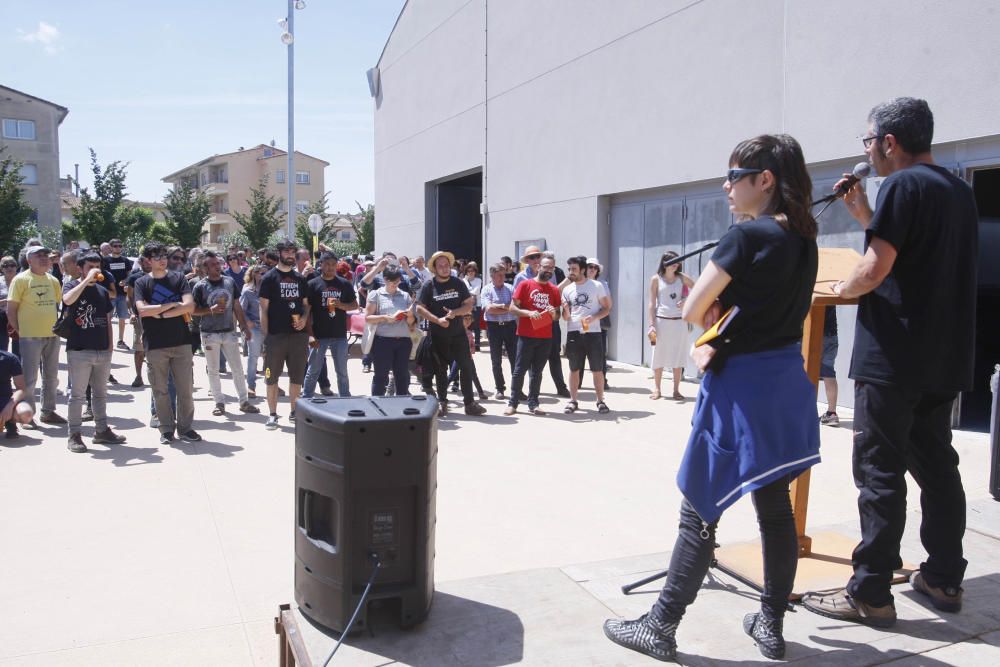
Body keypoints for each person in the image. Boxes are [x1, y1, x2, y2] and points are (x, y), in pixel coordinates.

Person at [604, 134, 821, 662]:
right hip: (786, 386)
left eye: (734, 175)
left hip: (739, 390)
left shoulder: (744, 238)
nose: (726, 186)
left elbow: (694, 310)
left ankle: (660, 626)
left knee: (698, 510)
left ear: (764, 180)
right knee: (775, 511)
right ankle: (770, 623)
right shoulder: (805, 240)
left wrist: (715, 333)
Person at [801, 98, 978, 626]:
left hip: (894, 358)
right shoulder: (958, 191)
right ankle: (944, 578)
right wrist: (863, 216)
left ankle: (871, 591)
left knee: (880, 473)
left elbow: (876, 270)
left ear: (889, 143)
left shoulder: (901, 185)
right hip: (942, 356)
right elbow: (915, 254)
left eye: (868, 142)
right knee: (938, 468)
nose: (867, 152)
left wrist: (840, 286)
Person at [134, 243, 201, 444]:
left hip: (181, 342)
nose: (162, 260)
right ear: (147, 261)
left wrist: (161, 313)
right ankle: (166, 429)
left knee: (185, 390)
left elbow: (189, 306)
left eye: (164, 256)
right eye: (156, 257)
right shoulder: (141, 283)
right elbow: (142, 311)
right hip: (155, 344)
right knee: (160, 390)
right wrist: (172, 305)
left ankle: (186, 428)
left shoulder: (179, 278)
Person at [62, 253, 127, 452]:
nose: (96, 270)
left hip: (101, 349)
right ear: (81, 268)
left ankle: (102, 430)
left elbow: (107, 318)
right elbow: (67, 300)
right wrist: (86, 281)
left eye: (98, 266)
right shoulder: (72, 286)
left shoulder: (102, 290)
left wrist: (109, 346)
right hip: (79, 348)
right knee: (77, 395)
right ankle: (74, 434)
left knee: (100, 394)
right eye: (90, 266)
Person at [415, 251, 486, 417]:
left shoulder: (458, 283)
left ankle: (469, 403)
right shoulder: (429, 286)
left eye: (446, 265)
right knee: (440, 370)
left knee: (466, 367)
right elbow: (419, 308)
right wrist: (437, 320)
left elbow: (469, 305)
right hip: (438, 335)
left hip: (458, 334)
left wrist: (455, 312)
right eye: (440, 266)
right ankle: (442, 402)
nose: (444, 268)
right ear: (434, 268)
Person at [191, 251, 258, 416]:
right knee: (213, 370)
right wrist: (209, 310)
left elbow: (236, 305)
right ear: (205, 268)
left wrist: (243, 327)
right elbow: (193, 310)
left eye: (218, 263)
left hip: (229, 332)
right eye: (213, 264)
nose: (217, 267)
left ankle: (243, 401)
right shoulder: (200, 286)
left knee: (237, 368)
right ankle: (219, 402)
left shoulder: (229, 282)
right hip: (209, 334)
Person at [6, 246, 66, 428]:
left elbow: (58, 304)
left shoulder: (53, 280)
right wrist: (20, 330)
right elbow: (11, 309)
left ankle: (48, 411)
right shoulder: (21, 279)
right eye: (38, 255)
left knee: (51, 376)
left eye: (46, 255)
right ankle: (27, 415)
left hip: (52, 335)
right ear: (28, 259)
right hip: (30, 336)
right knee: (29, 378)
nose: (44, 258)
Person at [259, 240, 310, 430]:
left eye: (293, 251)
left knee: (297, 377)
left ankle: (294, 412)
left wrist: (304, 319)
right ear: (279, 253)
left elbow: (306, 305)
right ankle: (272, 414)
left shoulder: (300, 279)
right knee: (271, 377)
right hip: (275, 336)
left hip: (298, 336)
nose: (290, 255)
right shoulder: (269, 278)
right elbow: (263, 310)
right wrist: (266, 338)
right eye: (287, 251)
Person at [503, 256, 561, 416]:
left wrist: (553, 313)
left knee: (537, 372)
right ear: (537, 266)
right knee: (519, 370)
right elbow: (512, 308)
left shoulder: (554, 290)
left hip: (545, 336)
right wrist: (527, 312)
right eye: (546, 267)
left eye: (552, 268)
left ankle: (533, 403)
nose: (548, 271)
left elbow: (558, 316)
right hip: (526, 335)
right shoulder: (525, 284)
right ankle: (512, 403)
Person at [303, 251, 357, 398]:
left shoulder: (344, 284)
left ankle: (345, 397)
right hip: (318, 334)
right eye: (327, 264)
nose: (330, 267)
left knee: (342, 371)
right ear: (320, 265)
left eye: (333, 264)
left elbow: (355, 305)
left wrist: (341, 305)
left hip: (339, 335)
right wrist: (310, 335)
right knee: (313, 370)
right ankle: (306, 397)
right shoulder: (312, 284)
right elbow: (306, 312)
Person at [562, 256, 611, 414]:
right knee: (574, 368)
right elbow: (565, 317)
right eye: (569, 269)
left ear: (582, 269)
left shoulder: (596, 286)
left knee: (597, 369)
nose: (571, 272)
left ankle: (600, 401)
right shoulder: (567, 289)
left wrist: (595, 317)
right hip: (573, 332)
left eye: (574, 269)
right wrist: (565, 309)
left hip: (593, 333)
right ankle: (573, 400)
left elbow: (607, 308)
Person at [648, 251, 695, 400]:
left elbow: (699, 288)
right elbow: (652, 304)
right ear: (664, 262)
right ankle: (657, 389)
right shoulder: (656, 279)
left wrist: (687, 300)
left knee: (678, 355)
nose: (676, 264)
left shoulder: (682, 278)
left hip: (679, 322)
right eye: (673, 261)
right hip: (661, 321)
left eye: (678, 261)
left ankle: (676, 390)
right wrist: (651, 324)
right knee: (658, 355)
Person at [365, 266, 415, 396]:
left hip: (403, 341)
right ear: (385, 279)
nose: (396, 284)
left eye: (398, 281)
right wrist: (385, 318)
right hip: (383, 342)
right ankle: (376, 406)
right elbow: (368, 318)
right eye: (393, 282)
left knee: (402, 377)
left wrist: (410, 316)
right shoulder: (376, 294)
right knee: (381, 376)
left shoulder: (405, 296)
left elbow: (412, 323)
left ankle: (401, 406)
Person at [481, 263, 518, 400]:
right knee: (496, 360)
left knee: (515, 359)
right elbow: (489, 309)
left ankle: (516, 389)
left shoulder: (510, 288)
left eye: (503, 275)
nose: (502, 277)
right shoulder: (486, 290)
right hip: (494, 327)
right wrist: (505, 306)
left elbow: (515, 307)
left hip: (510, 326)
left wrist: (499, 307)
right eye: (499, 275)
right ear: (492, 276)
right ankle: (500, 388)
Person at [240, 264, 268, 398]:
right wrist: (247, 321)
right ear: (254, 274)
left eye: (265, 273)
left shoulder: (271, 291)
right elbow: (240, 309)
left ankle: (271, 383)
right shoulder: (248, 291)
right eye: (260, 273)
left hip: (269, 327)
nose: (263, 276)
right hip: (255, 328)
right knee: (254, 357)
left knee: (270, 358)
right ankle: (251, 386)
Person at [585, 258, 613, 388]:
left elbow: (608, 305)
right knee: (580, 353)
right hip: (582, 322)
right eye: (589, 266)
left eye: (595, 267)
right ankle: (577, 382)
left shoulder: (602, 284)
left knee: (600, 353)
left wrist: (596, 315)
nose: (592, 269)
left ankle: (603, 381)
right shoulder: (580, 283)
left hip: (598, 322)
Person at [125, 256, 151, 387]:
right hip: (139, 316)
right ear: (140, 262)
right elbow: (129, 297)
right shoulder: (134, 278)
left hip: (156, 316)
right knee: (139, 348)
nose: (148, 263)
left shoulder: (159, 276)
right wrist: (131, 313)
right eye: (145, 261)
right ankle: (138, 376)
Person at [102, 238, 132, 350]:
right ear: (111, 247)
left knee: (122, 318)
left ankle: (120, 340)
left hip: (122, 294)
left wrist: (125, 281)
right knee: (107, 318)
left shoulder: (125, 260)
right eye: (115, 246)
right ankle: (106, 340)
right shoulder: (105, 260)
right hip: (109, 294)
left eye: (120, 245)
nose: (118, 248)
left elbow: (130, 274)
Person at [0, 349, 33, 439]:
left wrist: (9, 406)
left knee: (25, 413)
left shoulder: (10, 358)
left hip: (4, 399)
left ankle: (10, 422)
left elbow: (21, 389)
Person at [819, 305, 839, 426]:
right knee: (829, 373)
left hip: (814, 332)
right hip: (832, 336)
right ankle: (832, 413)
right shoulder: (829, 288)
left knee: (805, 371)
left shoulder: (812, 287)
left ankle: (803, 411)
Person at [462, 262, 483, 350]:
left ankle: (477, 343)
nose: (471, 272)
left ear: (475, 272)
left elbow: (476, 292)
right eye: (469, 271)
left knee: (476, 324)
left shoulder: (479, 280)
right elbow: (463, 292)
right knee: (465, 324)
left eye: (473, 270)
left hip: (476, 305)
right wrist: (469, 290)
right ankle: (466, 342)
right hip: (465, 305)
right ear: (466, 272)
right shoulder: (463, 280)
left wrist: (468, 291)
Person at [0, 256, 19, 354]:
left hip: (19, 316)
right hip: (2, 317)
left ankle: (18, 367)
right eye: (5, 266)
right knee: (2, 347)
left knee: (18, 347)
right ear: (1, 268)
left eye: (12, 265)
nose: (9, 268)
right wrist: (6, 301)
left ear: (16, 267)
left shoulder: (22, 281)